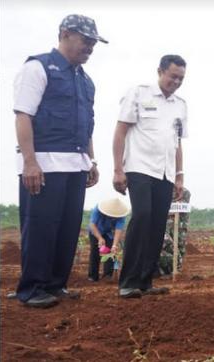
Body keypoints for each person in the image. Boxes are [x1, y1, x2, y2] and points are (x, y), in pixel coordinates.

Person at [11, 14, 107, 308]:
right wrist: (30, 162)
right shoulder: (38, 67)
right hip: (44, 162)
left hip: (75, 164)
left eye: (94, 42)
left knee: (67, 229)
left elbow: (86, 124)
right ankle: (32, 288)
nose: (90, 47)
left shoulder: (85, 80)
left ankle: (55, 285)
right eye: (85, 40)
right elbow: (23, 115)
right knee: (41, 226)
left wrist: (91, 161)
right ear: (65, 34)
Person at [112, 55, 188, 299]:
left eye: (181, 78)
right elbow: (121, 131)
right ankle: (128, 281)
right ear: (160, 71)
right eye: (173, 76)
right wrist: (117, 169)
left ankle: (145, 281)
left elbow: (177, 143)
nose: (176, 81)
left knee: (157, 225)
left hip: (165, 173)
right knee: (142, 216)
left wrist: (179, 176)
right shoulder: (139, 93)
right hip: (139, 167)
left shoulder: (180, 105)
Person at [87, 198, 129, 281]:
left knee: (109, 252)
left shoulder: (121, 215)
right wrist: (99, 238)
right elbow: (92, 225)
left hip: (108, 232)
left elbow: (118, 230)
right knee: (95, 251)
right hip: (95, 231)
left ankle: (108, 275)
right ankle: (93, 276)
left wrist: (114, 245)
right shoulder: (97, 209)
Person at [157, 187, 191, 277]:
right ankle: (170, 269)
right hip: (165, 226)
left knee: (180, 246)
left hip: (180, 225)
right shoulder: (162, 190)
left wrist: (164, 211)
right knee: (168, 247)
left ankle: (177, 270)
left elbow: (181, 208)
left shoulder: (185, 192)